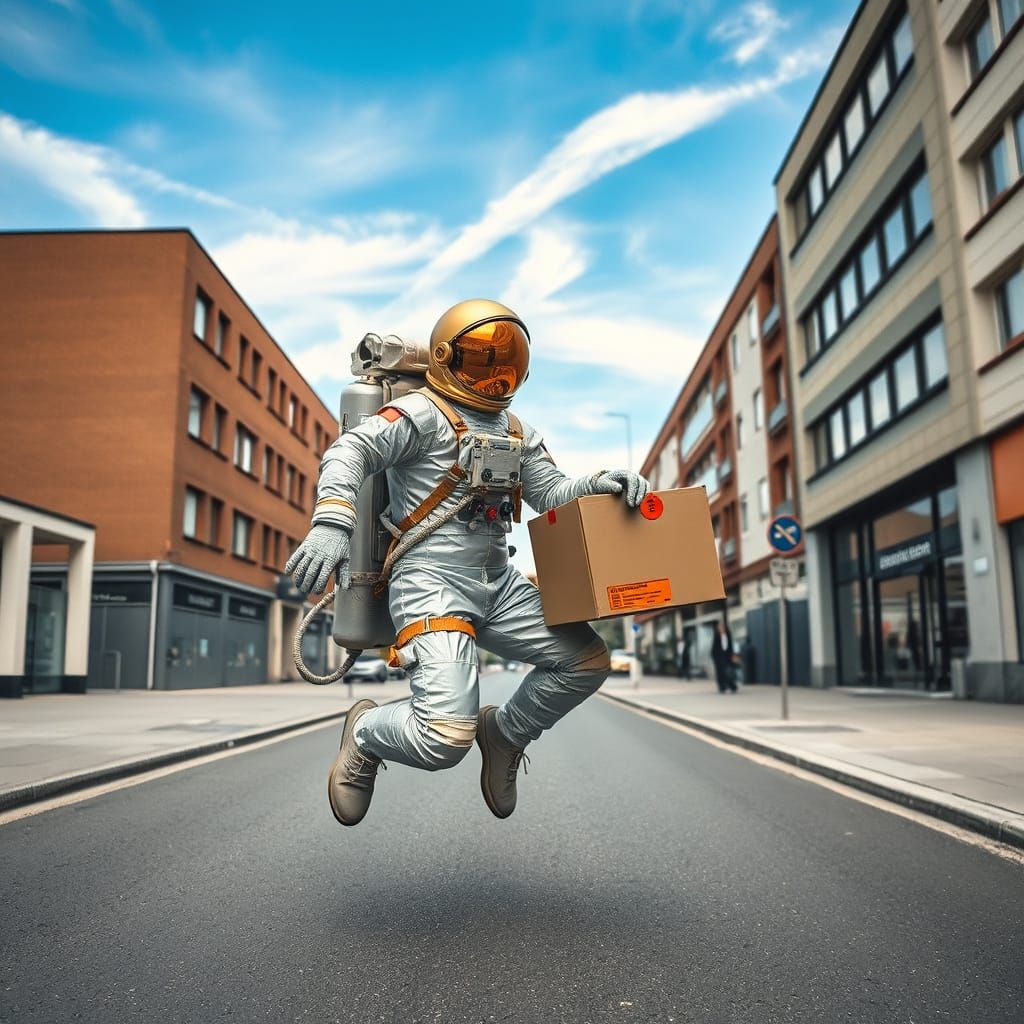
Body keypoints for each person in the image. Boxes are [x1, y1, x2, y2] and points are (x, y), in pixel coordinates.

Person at [285, 299, 650, 826]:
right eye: (482, 362)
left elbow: (550, 492)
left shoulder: (516, 429)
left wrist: (597, 483)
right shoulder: (421, 414)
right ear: (445, 357)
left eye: (506, 364)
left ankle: (504, 733)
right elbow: (352, 451)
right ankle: (365, 734)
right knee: (443, 739)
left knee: (587, 661)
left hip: (498, 583)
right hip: (431, 582)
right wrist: (332, 521)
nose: (495, 377)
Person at [710, 619, 737, 694]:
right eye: (720, 627)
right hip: (719, 657)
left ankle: (732, 686)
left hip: (727, 656)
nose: (721, 628)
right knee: (720, 673)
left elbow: (730, 646)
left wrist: (733, 655)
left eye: (722, 627)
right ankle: (722, 687)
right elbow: (714, 647)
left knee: (729, 671)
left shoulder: (728, 635)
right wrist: (714, 657)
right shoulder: (717, 635)